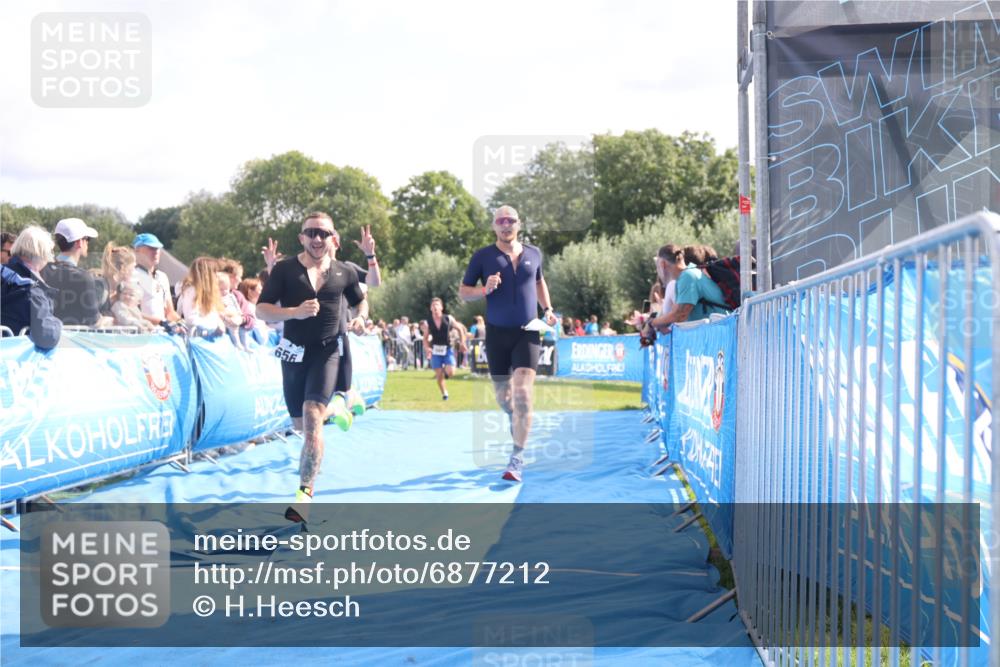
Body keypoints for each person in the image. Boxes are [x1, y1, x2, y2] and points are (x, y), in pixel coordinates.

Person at [256, 212, 367, 523]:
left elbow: (361, 301)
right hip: (293, 352)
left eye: (324, 233)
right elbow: (262, 310)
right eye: (311, 233)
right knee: (301, 427)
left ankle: (303, 499)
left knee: (311, 418)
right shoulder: (284, 270)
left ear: (333, 238)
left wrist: (359, 318)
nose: (318, 239)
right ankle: (339, 408)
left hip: (327, 351)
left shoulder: (344, 272)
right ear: (301, 237)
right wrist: (295, 312)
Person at [459, 205, 557, 482]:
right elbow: (464, 293)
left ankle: (516, 458)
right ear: (494, 226)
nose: (506, 225)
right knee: (504, 399)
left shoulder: (534, 253)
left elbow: (539, 282)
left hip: (528, 331)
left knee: (523, 393)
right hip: (497, 334)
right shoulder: (483, 257)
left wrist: (547, 309)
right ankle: (517, 417)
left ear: (519, 224)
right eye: (500, 221)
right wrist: (483, 290)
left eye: (510, 220)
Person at [644, 243, 730, 335]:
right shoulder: (685, 276)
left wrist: (651, 323)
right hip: (719, 332)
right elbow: (675, 313)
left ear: (662, 264)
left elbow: (679, 315)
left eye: (657, 267)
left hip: (721, 333)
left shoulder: (688, 276)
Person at [1, 225, 62, 349]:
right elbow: (47, 336)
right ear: (41, 253)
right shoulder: (32, 290)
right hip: (11, 362)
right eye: (50, 252)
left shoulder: (4, 273)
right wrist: (57, 323)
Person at [42, 217, 103, 326]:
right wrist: (111, 320)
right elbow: (95, 321)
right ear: (79, 242)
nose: (88, 243)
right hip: (72, 341)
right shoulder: (84, 277)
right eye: (87, 239)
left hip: (45, 339)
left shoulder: (42, 270)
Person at [133, 233, 183, 332]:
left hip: (161, 336)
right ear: (137, 250)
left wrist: (181, 322)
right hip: (140, 335)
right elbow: (130, 313)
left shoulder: (162, 277)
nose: (156, 252)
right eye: (151, 248)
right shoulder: (130, 275)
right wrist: (161, 321)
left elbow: (170, 312)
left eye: (157, 248)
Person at [424, 297, 468, 400]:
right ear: (430, 308)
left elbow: (460, 329)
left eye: (437, 305)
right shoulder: (428, 322)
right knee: (439, 375)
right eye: (433, 305)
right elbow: (425, 338)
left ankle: (444, 371)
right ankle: (444, 393)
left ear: (441, 307)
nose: (435, 307)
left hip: (447, 349)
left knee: (451, 372)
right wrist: (427, 348)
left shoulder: (448, 318)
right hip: (435, 350)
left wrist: (462, 342)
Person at [176, 257, 225, 336]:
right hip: (192, 339)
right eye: (214, 272)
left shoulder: (208, 293)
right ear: (207, 274)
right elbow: (190, 319)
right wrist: (214, 326)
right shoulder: (191, 291)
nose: (217, 276)